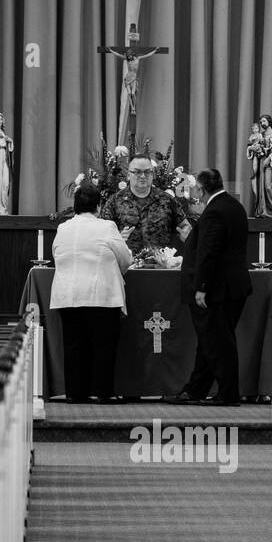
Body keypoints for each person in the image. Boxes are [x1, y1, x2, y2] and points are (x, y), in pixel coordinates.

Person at [50, 182, 133, 401]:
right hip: (101, 295)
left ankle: (76, 394)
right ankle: (104, 392)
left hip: (68, 295)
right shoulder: (106, 227)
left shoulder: (63, 228)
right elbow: (126, 259)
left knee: (74, 346)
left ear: (75, 206)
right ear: (98, 206)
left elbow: (56, 255)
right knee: (103, 346)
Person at [178, 168, 252, 405]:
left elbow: (209, 252)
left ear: (201, 188)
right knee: (211, 340)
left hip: (217, 289)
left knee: (219, 343)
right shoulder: (234, 206)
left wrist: (201, 286)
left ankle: (228, 393)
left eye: (195, 188)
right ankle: (195, 390)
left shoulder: (214, 212)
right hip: (232, 286)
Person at [101, 155, 192, 254]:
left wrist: (187, 232)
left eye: (147, 172)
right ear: (128, 175)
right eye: (137, 172)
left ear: (152, 174)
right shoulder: (115, 201)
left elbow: (185, 225)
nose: (143, 176)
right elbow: (102, 234)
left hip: (159, 264)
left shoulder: (167, 200)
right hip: (127, 264)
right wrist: (117, 238)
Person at [246, 112, 272, 217]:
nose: (262, 123)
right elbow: (254, 146)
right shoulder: (259, 135)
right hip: (260, 162)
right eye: (261, 121)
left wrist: (270, 157)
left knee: (268, 186)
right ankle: (262, 211)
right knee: (260, 188)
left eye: (264, 121)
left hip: (270, 163)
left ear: (269, 122)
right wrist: (252, 149)